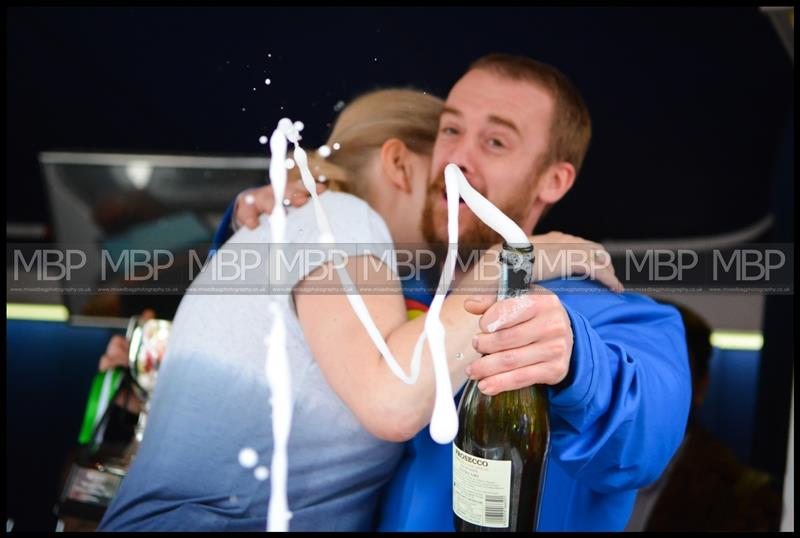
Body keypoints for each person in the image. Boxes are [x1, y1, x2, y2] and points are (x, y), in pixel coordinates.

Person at [98, 87, 621, 531]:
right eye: (444, 187)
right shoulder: (342, 218)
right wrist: (516, 258)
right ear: (397, 163)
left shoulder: (310, 226)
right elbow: (393, 397)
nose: (453, 212)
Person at [225, 53, 692, 531]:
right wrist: (264, 215)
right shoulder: (399, 286)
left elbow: (644, 441)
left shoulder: (619, 317)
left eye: (495, 141)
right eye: (450, 131)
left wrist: (576, 361)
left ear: (554, 180)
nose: (456, 158)